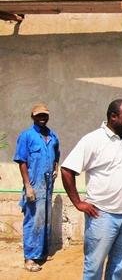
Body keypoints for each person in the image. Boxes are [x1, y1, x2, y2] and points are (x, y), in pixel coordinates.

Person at [60, 99, 122, 280]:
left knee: (119, 265)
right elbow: (67, 170)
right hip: (102, 216)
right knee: (94, 265)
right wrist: (78, 203)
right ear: (113, 117)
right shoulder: (92, 140)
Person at [13, 103, 60, 272]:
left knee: (45, 219)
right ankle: (30, 258)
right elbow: (22, 161)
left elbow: (57, 154)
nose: (42, 118)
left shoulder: (52, 136)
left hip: (48, 185)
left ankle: (40, 253)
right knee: (33, 220)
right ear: (32, 116)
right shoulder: (27, 136)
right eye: (39, 115)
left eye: (45, 115)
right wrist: (27, 185)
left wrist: (56, 170)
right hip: (34, 184)